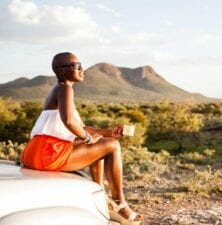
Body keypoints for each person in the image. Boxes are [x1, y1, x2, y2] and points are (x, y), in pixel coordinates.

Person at [21, 52, 141, 225]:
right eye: (77, 66)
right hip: (47, 153)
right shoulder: (65, 88)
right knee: (113, 146)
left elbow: (79, 127)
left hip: (37, 151)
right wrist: (87, 138)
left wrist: (109, 132)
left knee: (104, 144)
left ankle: (101, 199)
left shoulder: (59, 89)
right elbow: (69, 121)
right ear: (62, 71)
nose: (82, 69)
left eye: (81, 65)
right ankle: (119, 203)